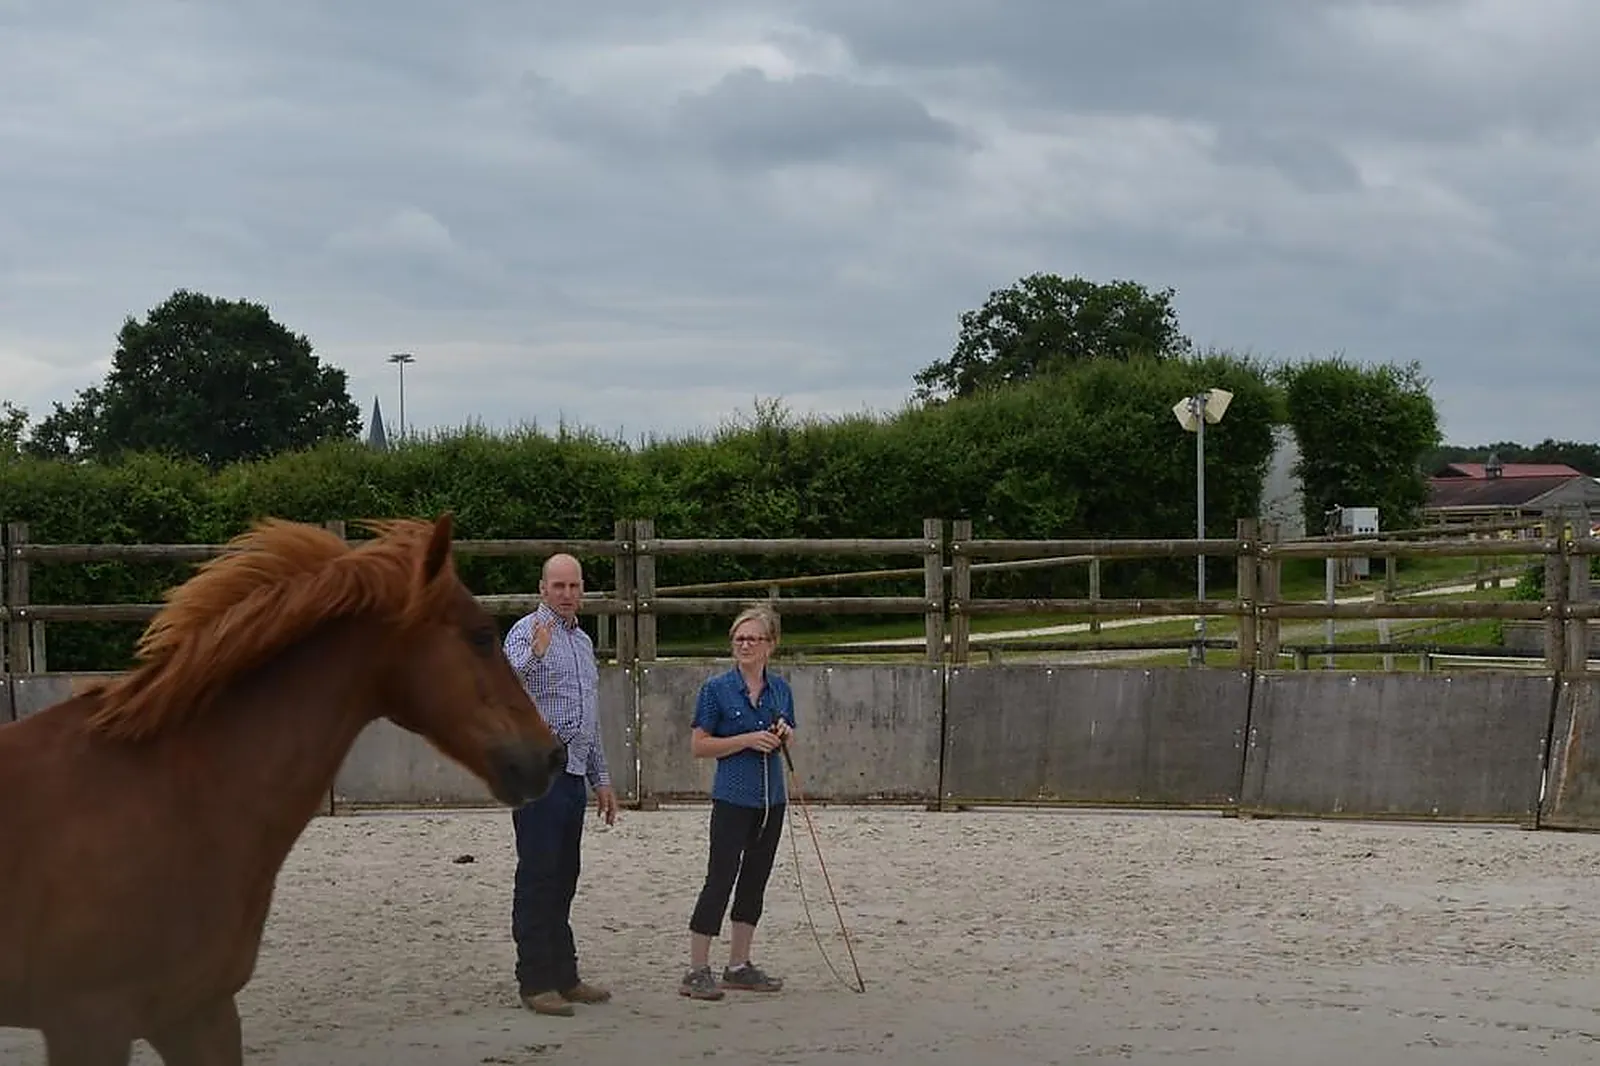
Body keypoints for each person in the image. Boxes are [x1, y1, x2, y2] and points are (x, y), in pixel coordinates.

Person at [503, 552, 619, 1018]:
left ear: (582, 590)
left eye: (573, 586)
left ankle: (564, 974)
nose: (567, 594)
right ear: (542, 588)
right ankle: (535, 981)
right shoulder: (526, 632)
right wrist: (536, 653)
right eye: (558, 586)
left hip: (571, 776)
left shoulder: (583, 643)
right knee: (538, 876)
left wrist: (601, 778)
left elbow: (589, 717)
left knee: (565, 876)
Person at [678, 604, 794, 1000]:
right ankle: (697, 968)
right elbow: (699, 745)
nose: (744, 645)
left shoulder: (781, 690)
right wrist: (745, 740)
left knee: (755, 879)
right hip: (732, 798)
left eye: (752, 639)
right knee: (720, 877)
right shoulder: (716, 690)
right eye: (739, 639)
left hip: (771, 800)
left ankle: (739, 964)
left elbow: (789, 734)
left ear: (770, 645)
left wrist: (784, 734)